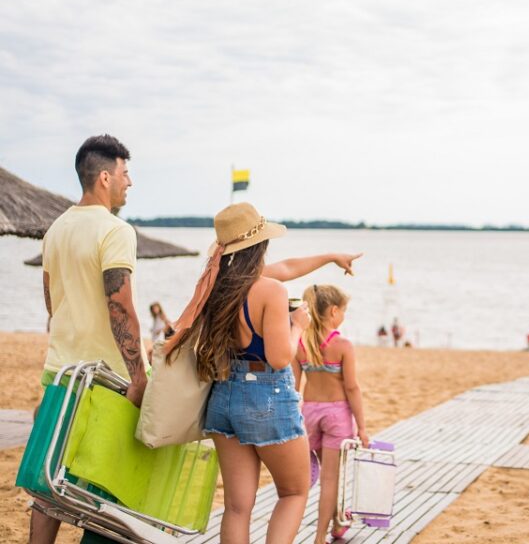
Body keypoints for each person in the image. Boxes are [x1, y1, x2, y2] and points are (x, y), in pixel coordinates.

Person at [166, 202, 318, 543]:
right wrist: (297, 326)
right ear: (260, 245)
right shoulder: (271, 290)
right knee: (294, 492)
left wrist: (331, 256)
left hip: (223, 397)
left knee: (237, 507)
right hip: (266, 397)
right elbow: (280, 359)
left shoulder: (214, 287)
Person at [31, 135, 150, 544]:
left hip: (59, 374)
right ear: (104, 177)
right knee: (105, 492)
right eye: (124, 173)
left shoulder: (56, 229)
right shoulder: (116, 230)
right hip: (105, 381)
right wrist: (138, 374)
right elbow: (120, 307)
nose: (129, 182)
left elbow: (51, 300)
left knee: (48, 488)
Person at [296, 284, 368, 544]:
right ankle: (319, 537)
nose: (344, 315)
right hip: (336, 417)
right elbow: (352, 387)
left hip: (309, 416)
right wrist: (362, 427)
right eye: (344, 310)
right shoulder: (342, 346)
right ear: (334, 311)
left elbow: (294, 389)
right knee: (331, 480)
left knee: (318, 477)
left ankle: (338, 523)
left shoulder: (300, 344)